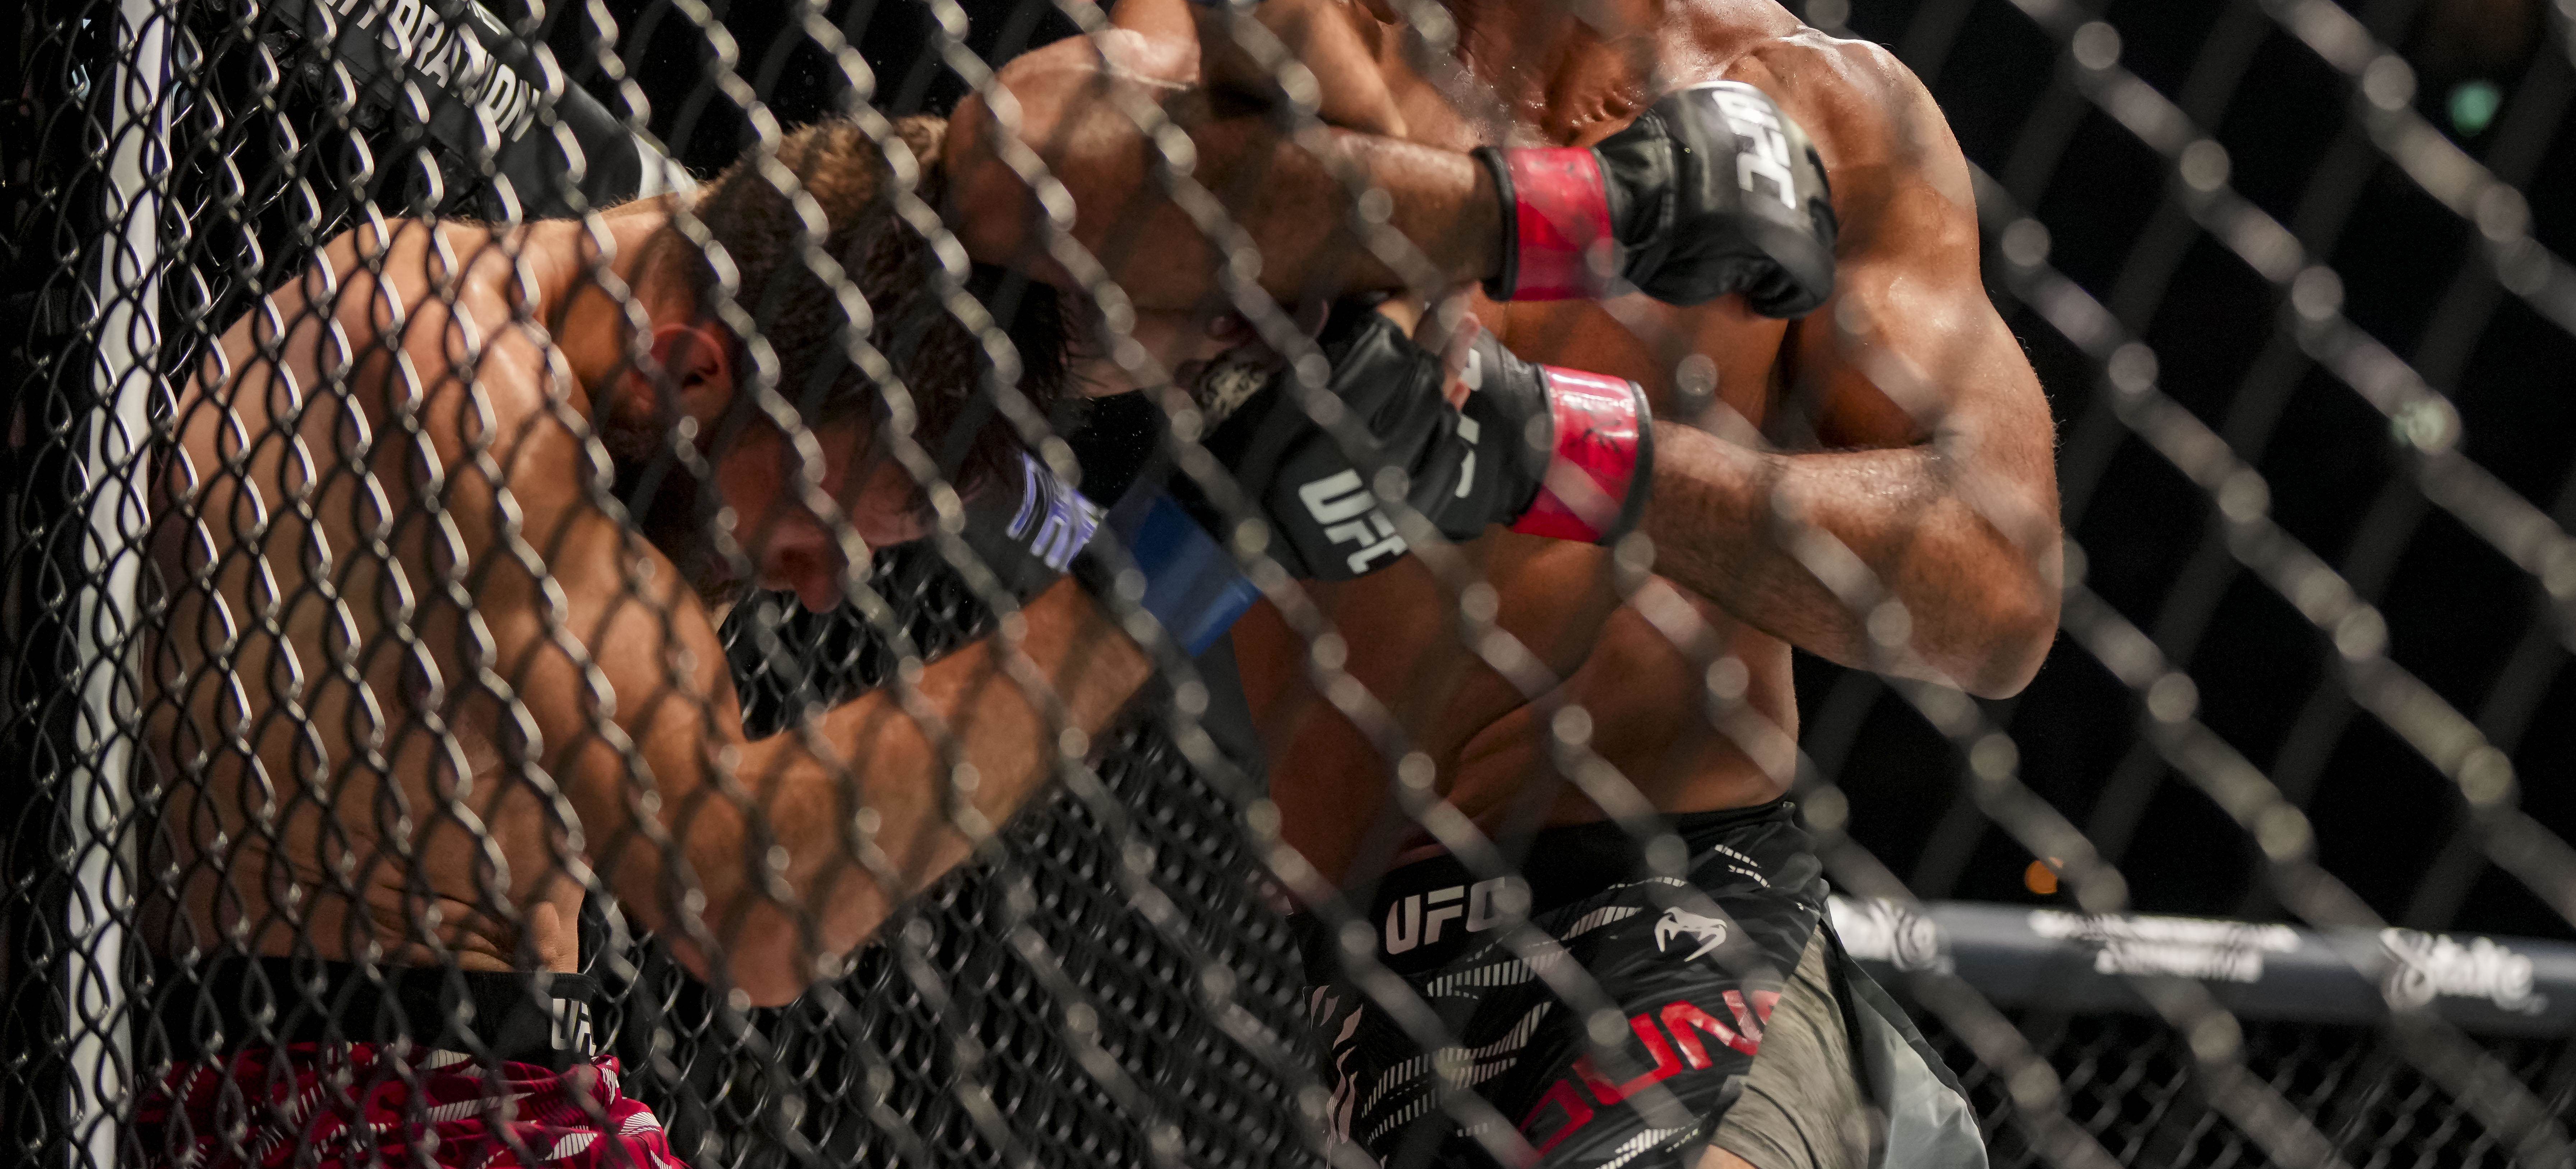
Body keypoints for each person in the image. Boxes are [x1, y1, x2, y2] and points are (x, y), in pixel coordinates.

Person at [131, 73, 1823, 1169]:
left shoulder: (512, 304)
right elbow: (749, 901)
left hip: (285, 1065)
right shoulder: (490, 414)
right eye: (802, 534)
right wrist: (1159, 570)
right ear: (698, 368)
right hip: (402, 1105)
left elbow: (958, 193)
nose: (804, 591)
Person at [936, 0, 2062, 1169]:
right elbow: (1024, 165)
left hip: (1680, 920)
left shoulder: (1824, 110)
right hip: (1360, 998)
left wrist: (1548, 440)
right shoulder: (1285, 17)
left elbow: (1993, 583)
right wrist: (1574, 205)